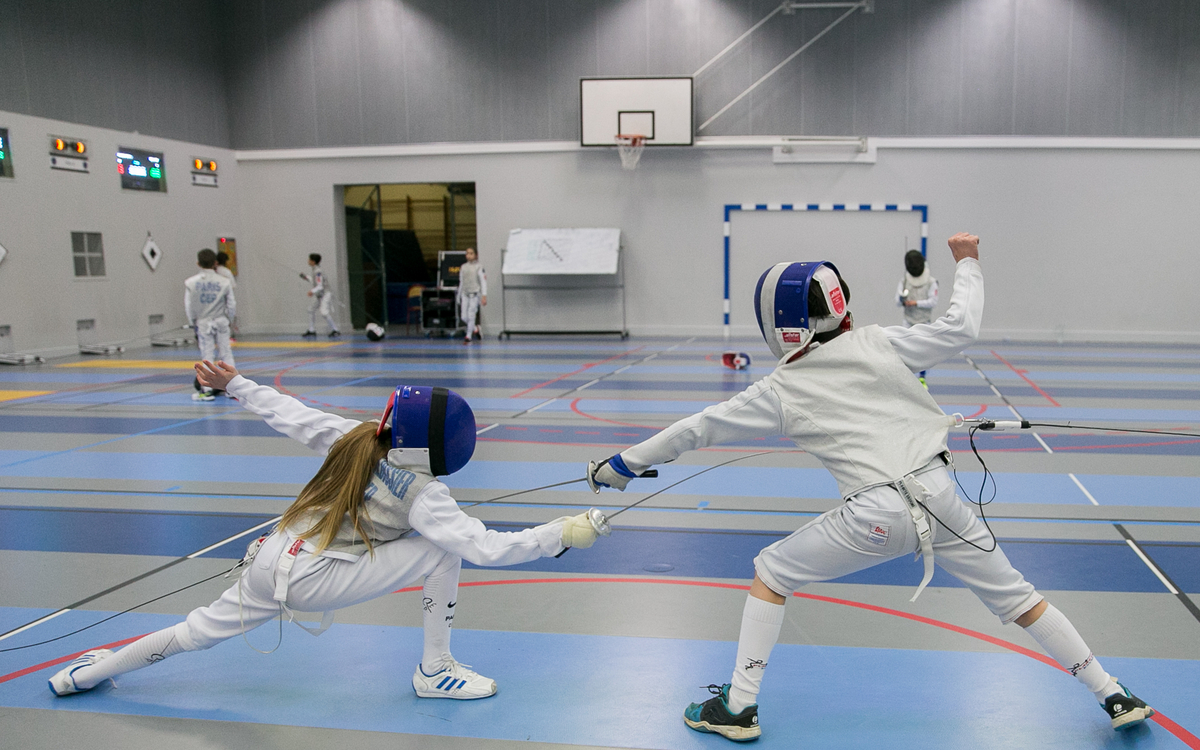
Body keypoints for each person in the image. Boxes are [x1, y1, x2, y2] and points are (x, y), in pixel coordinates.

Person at [586, 234, 1152, 741]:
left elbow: (697, 428)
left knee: (771, 572)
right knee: (1020, 597)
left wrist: (622, 465)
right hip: (944, 499)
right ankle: (1113, 693)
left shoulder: (780, 388)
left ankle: (738, 707)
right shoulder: (881, 342)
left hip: (873, 517)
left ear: (780, 324)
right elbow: (961, 327)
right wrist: (969, 261)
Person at [49, 360, 605, 701]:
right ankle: (434, 669)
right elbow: (483, 547)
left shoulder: (357, 436)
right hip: (313, 577)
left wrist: (235, 383)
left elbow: (292, 413)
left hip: (270, 557)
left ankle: (88, 673)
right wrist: (561, 533)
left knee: (193, 632)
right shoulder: (426, 496)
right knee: (441, 551)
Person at [185, 249, 236, 402]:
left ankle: (207, 390)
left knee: (207, 355)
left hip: (203, 322)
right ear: (215, 263)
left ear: (198, 263)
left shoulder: (191, 282)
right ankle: (233, 389)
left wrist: (192, 323)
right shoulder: (224, 281)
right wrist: (230, 320)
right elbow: (232, 305)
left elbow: (189, 306)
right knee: (226, 353)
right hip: (221, 321)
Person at [896, 249, 938, 387]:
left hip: (924, 322)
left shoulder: (931, 282)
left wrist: (916, 303)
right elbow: (897, 301)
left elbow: (933, 302)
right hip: (908, 321)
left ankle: (922, 379)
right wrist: (903, 299)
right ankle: (907, 380)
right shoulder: (904, 281)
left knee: (923, 352)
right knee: (905, 351)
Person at [302, 253, 340, 338]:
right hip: (319, 294)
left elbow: (320, 286)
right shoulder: (315, 270)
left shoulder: (318, 271)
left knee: (324, 312)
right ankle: (311, 330)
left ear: (313, 261)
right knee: (310, 309)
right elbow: (315, 282)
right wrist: (306, 277)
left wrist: (311, 291)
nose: (308, 261)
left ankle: (335, 330)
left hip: (325, 294)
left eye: (309, 259)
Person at [456, 247, 487, 345]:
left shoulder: (479, 267)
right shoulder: (463, 267)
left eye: (471, 253)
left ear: (475, 255)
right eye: (467, 253)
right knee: (463, 317)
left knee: (471, 315)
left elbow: (483, 282)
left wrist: (484, 296)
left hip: (475, 295)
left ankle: (468, 337)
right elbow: (461, 282)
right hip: (465, 294)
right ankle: (475, 328)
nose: (469, 255)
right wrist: (458, 295)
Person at [214, 251, 238, 341]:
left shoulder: (214, 272)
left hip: (214, 301)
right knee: (226, 317)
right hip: (224, 299)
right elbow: (232, 286)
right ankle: (226, 336)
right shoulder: (226, 272)